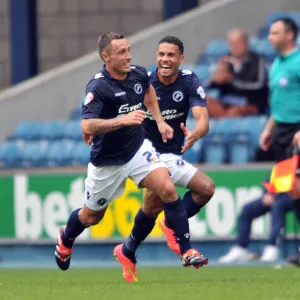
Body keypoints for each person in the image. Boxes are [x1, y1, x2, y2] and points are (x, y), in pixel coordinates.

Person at [54, 32, 205, 276]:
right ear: (106, 57)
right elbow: (86, 126)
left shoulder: (137, 73)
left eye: (128, 50)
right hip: (107, 162)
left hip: (137, 150)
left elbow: (148, 93)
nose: (129, 56)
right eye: (122, 52)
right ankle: (66, 236)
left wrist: (158, 121)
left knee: (167, 188)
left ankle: (186, 251)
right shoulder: (98, 86)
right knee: (91, 217)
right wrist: (122, 120)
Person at [113, 36, 215, 281]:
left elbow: (203, 119)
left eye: (171, 55)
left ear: (180, 58)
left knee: (156, 205)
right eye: (161, 55)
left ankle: (128, 250)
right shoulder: (143, 83)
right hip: (147, 154)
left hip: (171, 154)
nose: (165, 60)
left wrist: (195, 134)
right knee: (190, 190)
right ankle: (184, 246)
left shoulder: (189, 81)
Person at [258, 17, 300, 266]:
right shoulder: (276, 64)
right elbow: (279, 103)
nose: (270, 37)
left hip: (297, 131)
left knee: (297, 185)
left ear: (290, 35)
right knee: (292, 189)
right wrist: (267, 129)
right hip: (281, 133)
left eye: (275, 33)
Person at [219, 188, 293, 264]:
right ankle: (241, 248)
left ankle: (273, 246)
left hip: (293, 194)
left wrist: (278, 196)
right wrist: (268, 193)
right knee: (247, 209)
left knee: (277, 205)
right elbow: (270, 179)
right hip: (274, 195)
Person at [206, 29, 269, 118]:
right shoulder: (225, 60)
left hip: (250, 103)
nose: (235, 47)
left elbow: (259, 85)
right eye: (232, 44)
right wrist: (215, 80)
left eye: (238, 43)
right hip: (227, 102)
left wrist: (232, 80)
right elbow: (209, 85)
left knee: (234, 112)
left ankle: (225, 119)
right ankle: (226, 118)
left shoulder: (258, 60)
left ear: (246, 43)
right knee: (203, 101)